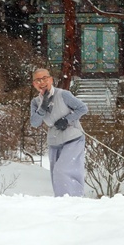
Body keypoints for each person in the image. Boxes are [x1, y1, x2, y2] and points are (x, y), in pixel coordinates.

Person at [30, 68, 88, 197]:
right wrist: (42, 107)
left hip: (73, 138)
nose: (42, 82)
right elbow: (35, 122)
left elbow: (82, 108)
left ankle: (74, 199)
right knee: (55, 174)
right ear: (34, 84)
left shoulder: (63, 94)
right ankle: (62, 200)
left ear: (51, 79)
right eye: (38, 80)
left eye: (45, 78)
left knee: (63, 170)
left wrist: (66, 120)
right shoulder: (35, 102)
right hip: (54, 141)